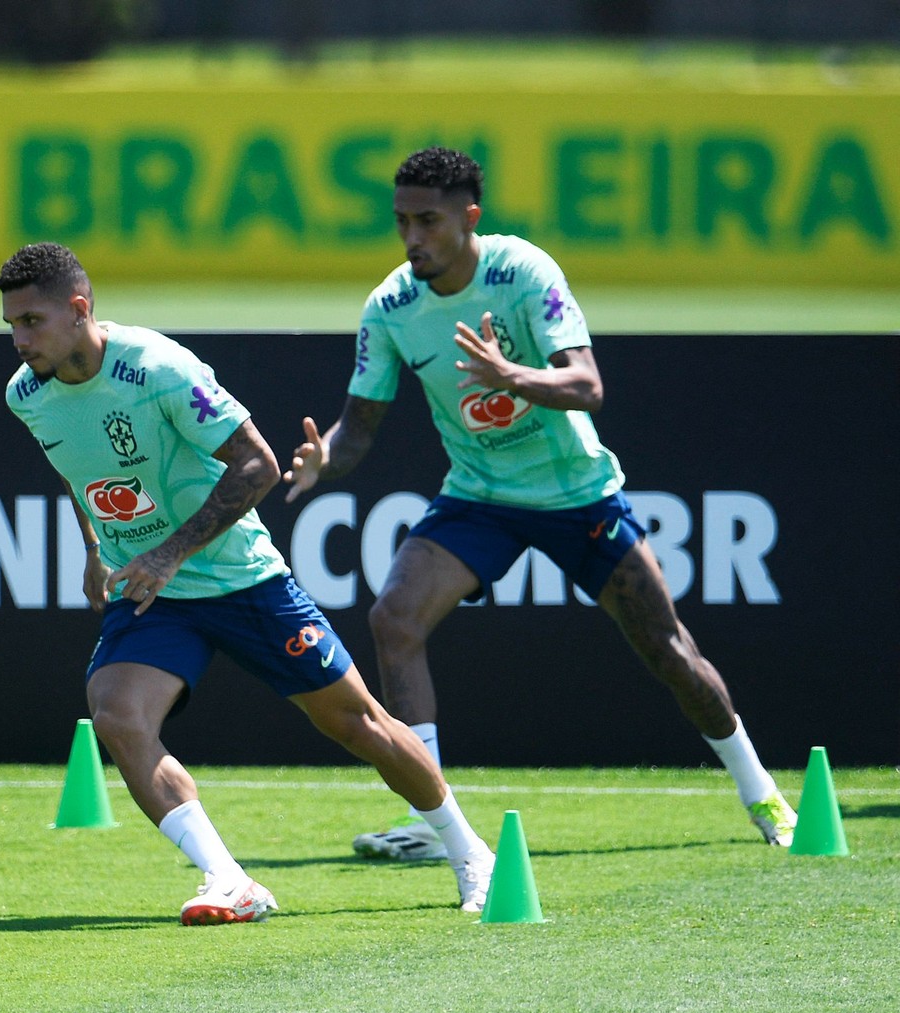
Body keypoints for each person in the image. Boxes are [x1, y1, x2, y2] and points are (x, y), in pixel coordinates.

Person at [283, 145, 799, 861]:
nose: (411, 240)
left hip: (576, 492)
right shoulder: (390, 308)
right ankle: (437, 824)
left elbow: (587, 387)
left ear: (470, 217)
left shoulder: (523, 273)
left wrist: (508, 374)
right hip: (480, 497)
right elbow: (358, 428)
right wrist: (324, 459)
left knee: (670, 650)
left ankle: (761, 790)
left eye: (428, 221)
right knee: (392, 617)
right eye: (401, 222)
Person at [0, 241, 496, 923]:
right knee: (115, 713)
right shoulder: (26, 395)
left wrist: (171, 551)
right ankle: (228, 878)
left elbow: (259, 466)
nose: (19, 340)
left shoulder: (158, 368)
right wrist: (92, 545)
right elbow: (68, 459)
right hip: (153, 591)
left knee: (358, 722)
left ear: (79, 310)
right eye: (11, 325)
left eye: (32, 322)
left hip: (239, 577)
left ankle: (471, 853)